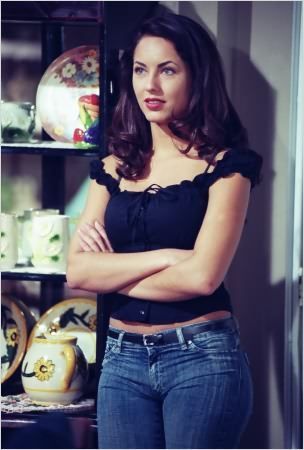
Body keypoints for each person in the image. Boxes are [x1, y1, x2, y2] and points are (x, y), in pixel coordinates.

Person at [67, 12, 263, 449]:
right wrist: (169, 257)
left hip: (201, 359)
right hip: (120, 360)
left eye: (167, 70)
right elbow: (79, 272)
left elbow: (202, 278)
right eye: (140, 70)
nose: (149, 86)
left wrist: (113, 268)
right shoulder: (112, 167)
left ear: (197, 76)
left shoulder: (228, 166)